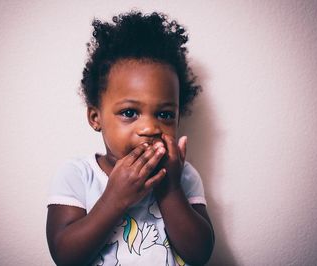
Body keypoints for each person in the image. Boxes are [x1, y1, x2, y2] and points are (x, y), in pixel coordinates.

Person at [46, 11, 215, 266]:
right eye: (129, 112)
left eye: (165, 114)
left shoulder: (183, 175)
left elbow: (200, 254)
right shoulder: (78, 175)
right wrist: (115, 197)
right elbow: (65, 256)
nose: (149, 128)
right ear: (95, 118)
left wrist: (170, 189)